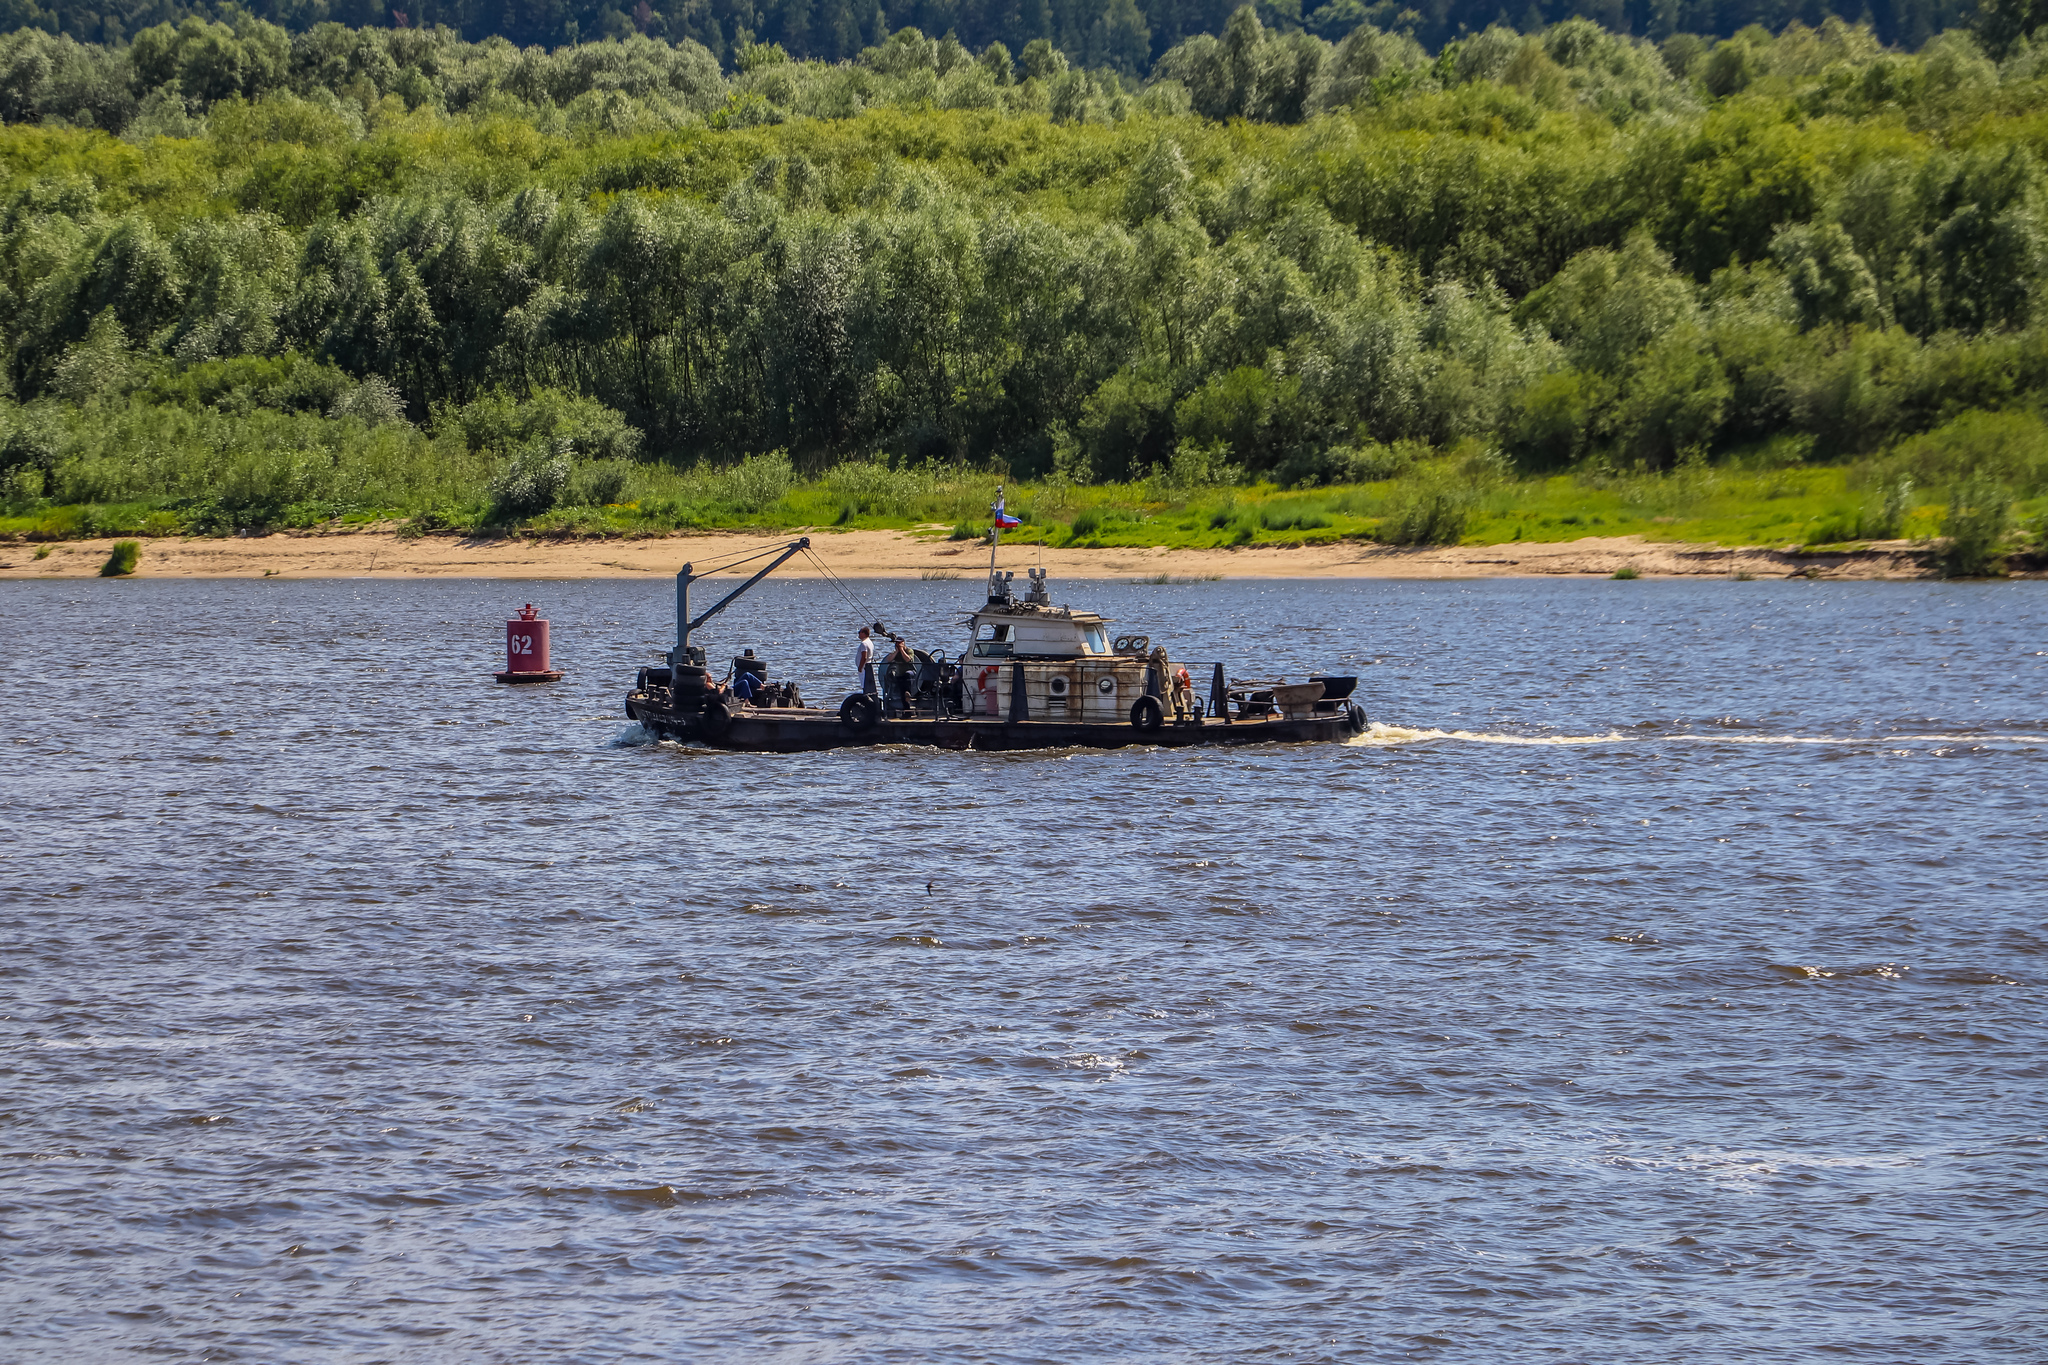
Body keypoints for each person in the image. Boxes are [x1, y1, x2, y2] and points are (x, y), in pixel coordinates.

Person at [883, 636, 916, 716]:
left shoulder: (909, 650)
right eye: (896, 643)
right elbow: (889, 659)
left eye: (899, 643)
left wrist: (902, 650)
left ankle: (907, 695)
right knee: (902, 685)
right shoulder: (895, 653)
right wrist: (897, 651)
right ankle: (906, 706)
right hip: (900, 675)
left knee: (907, 675)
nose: (897, 645)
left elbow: (908, 660)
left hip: (910, 673)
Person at [853, 627, 876, 695]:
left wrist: (860, 667)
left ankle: (866, 696)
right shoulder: (869, 642)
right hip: (868, 666)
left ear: (864, 633)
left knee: (864, 684)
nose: (858, 634)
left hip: (864, 667)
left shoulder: (864, 644)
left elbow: (864, 656)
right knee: (867, 684)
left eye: (860, 632)